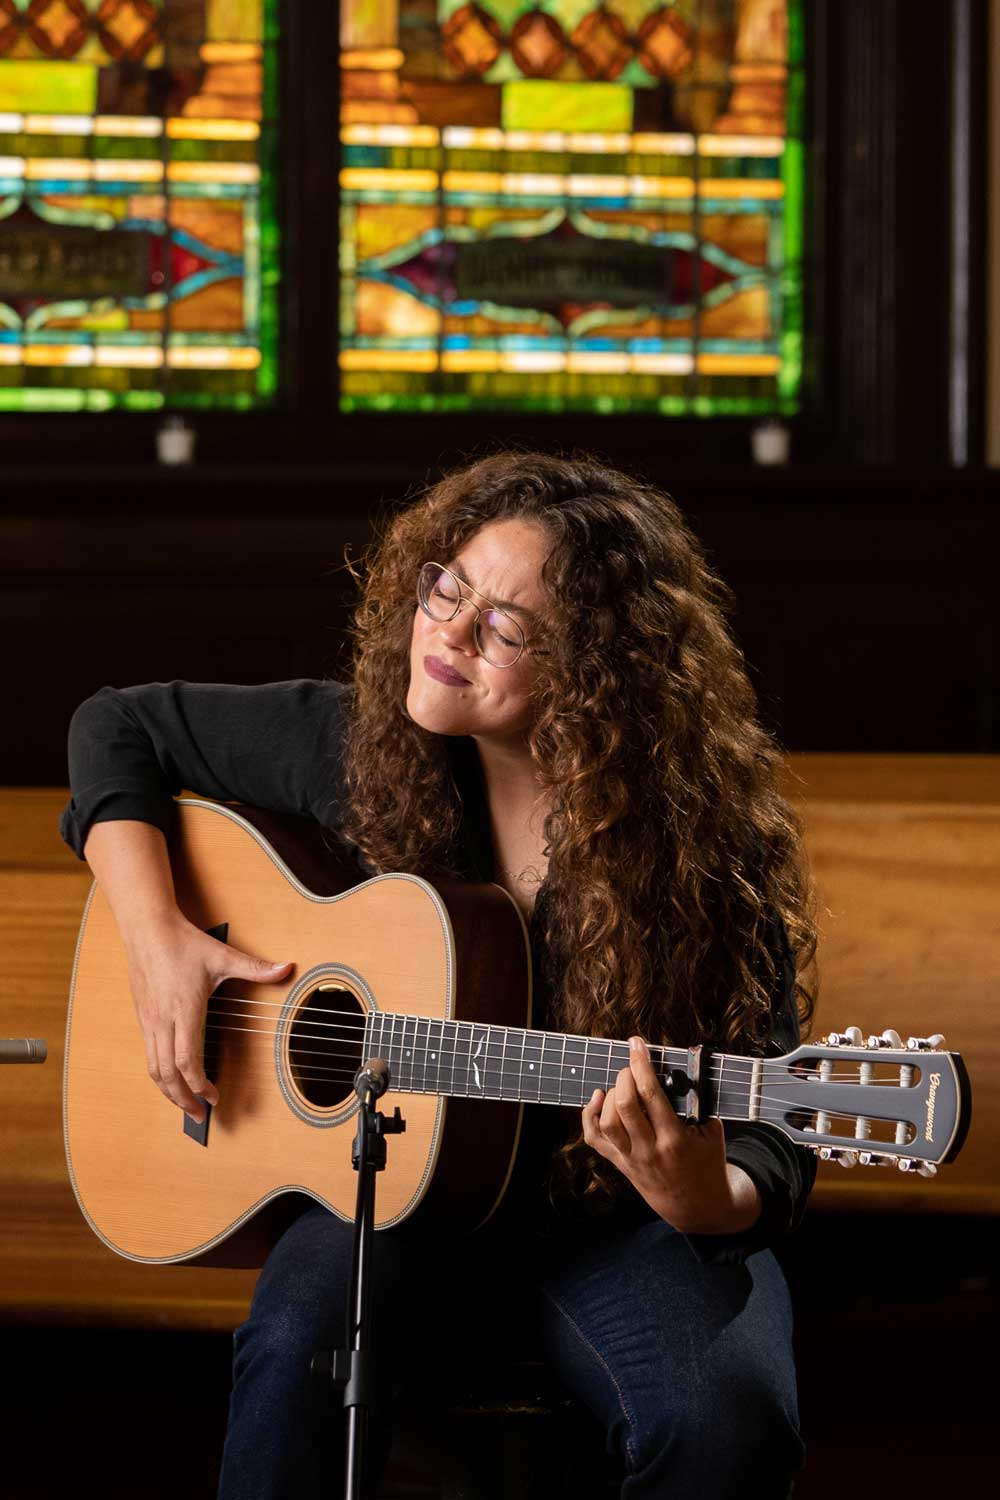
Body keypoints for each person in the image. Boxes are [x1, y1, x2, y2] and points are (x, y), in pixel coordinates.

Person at [60, 450, 817, 1500]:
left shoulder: (698, 846)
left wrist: (709, 1194)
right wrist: (159, 947)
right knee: (292, 1349)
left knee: (728, 1422)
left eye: (504, 627)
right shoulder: (364, 748)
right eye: (445, 588)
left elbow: (774, 1121)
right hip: (397, 1205)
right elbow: (116, 729)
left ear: (599, 669)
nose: (448, 635)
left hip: (616, 1227)